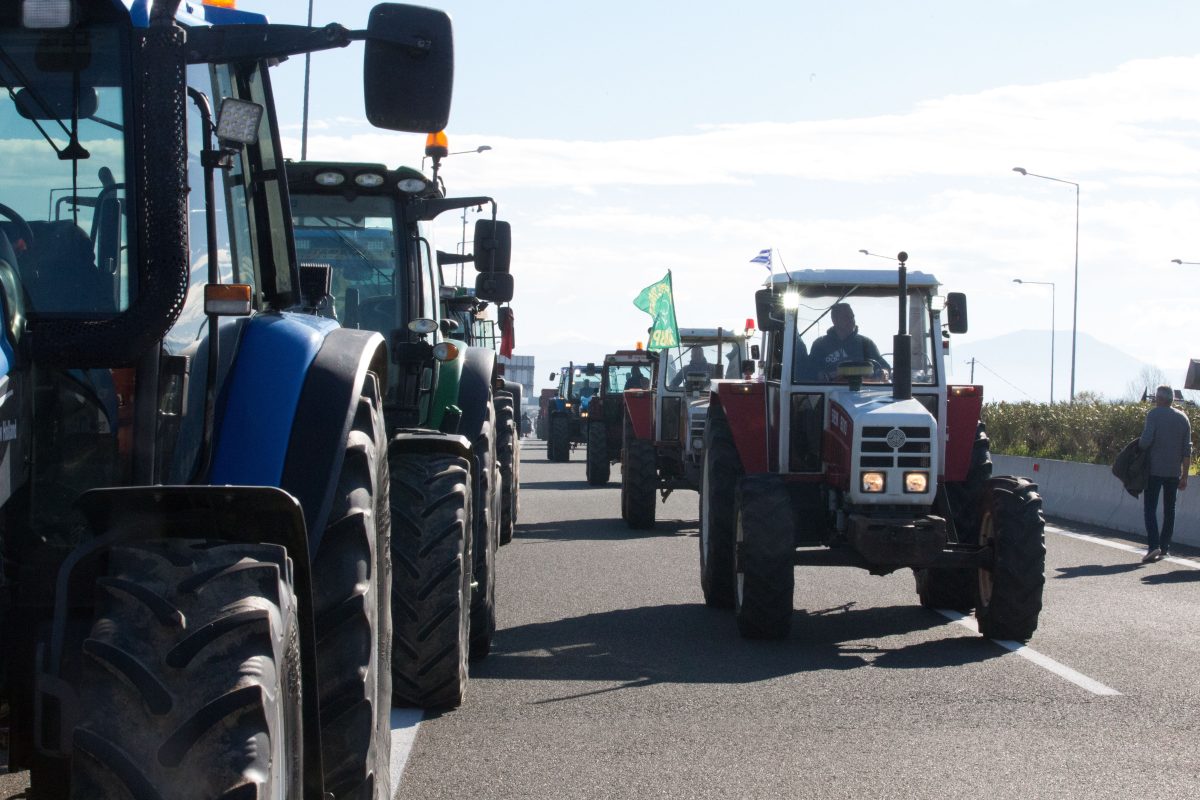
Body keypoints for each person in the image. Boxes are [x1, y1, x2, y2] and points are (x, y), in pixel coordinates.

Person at [1137, 384, 1191, 563]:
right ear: (1172, 399)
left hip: (1154, 470)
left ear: (1160, 399)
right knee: (1170, 510)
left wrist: (1136, 447)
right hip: (1173, 472)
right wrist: (1184, 475)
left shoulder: (1154, 415)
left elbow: (1145, 441)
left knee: (1150, 509)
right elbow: (1186, 450)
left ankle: (1153, 546)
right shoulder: (1183, 418)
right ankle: (1165, 547)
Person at [808, 302, 888, 381]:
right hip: (831, 391)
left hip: (863, 390)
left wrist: (884, 373)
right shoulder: (820, 345)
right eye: (846, 317)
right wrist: (831, 375)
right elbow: (810, 373)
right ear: (834, 320)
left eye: (852, 317)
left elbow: (884, 367)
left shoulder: (866, 343)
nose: (851, 321)